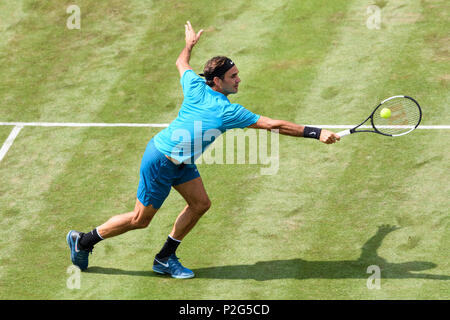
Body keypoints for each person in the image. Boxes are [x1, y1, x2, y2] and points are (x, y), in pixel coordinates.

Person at [66, 21, 340, 279]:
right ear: (217, 81)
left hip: (182, 162)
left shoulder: (195, 85)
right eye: (233, 76)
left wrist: (189, 46)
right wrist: (317, 133)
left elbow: (181, 62)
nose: (239, 80)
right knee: (140, 219)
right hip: (161, 159)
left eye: (238, 75)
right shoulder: (227, 112)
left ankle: (164, 258)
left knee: (200, 204)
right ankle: (83, 241)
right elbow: (274, 124)